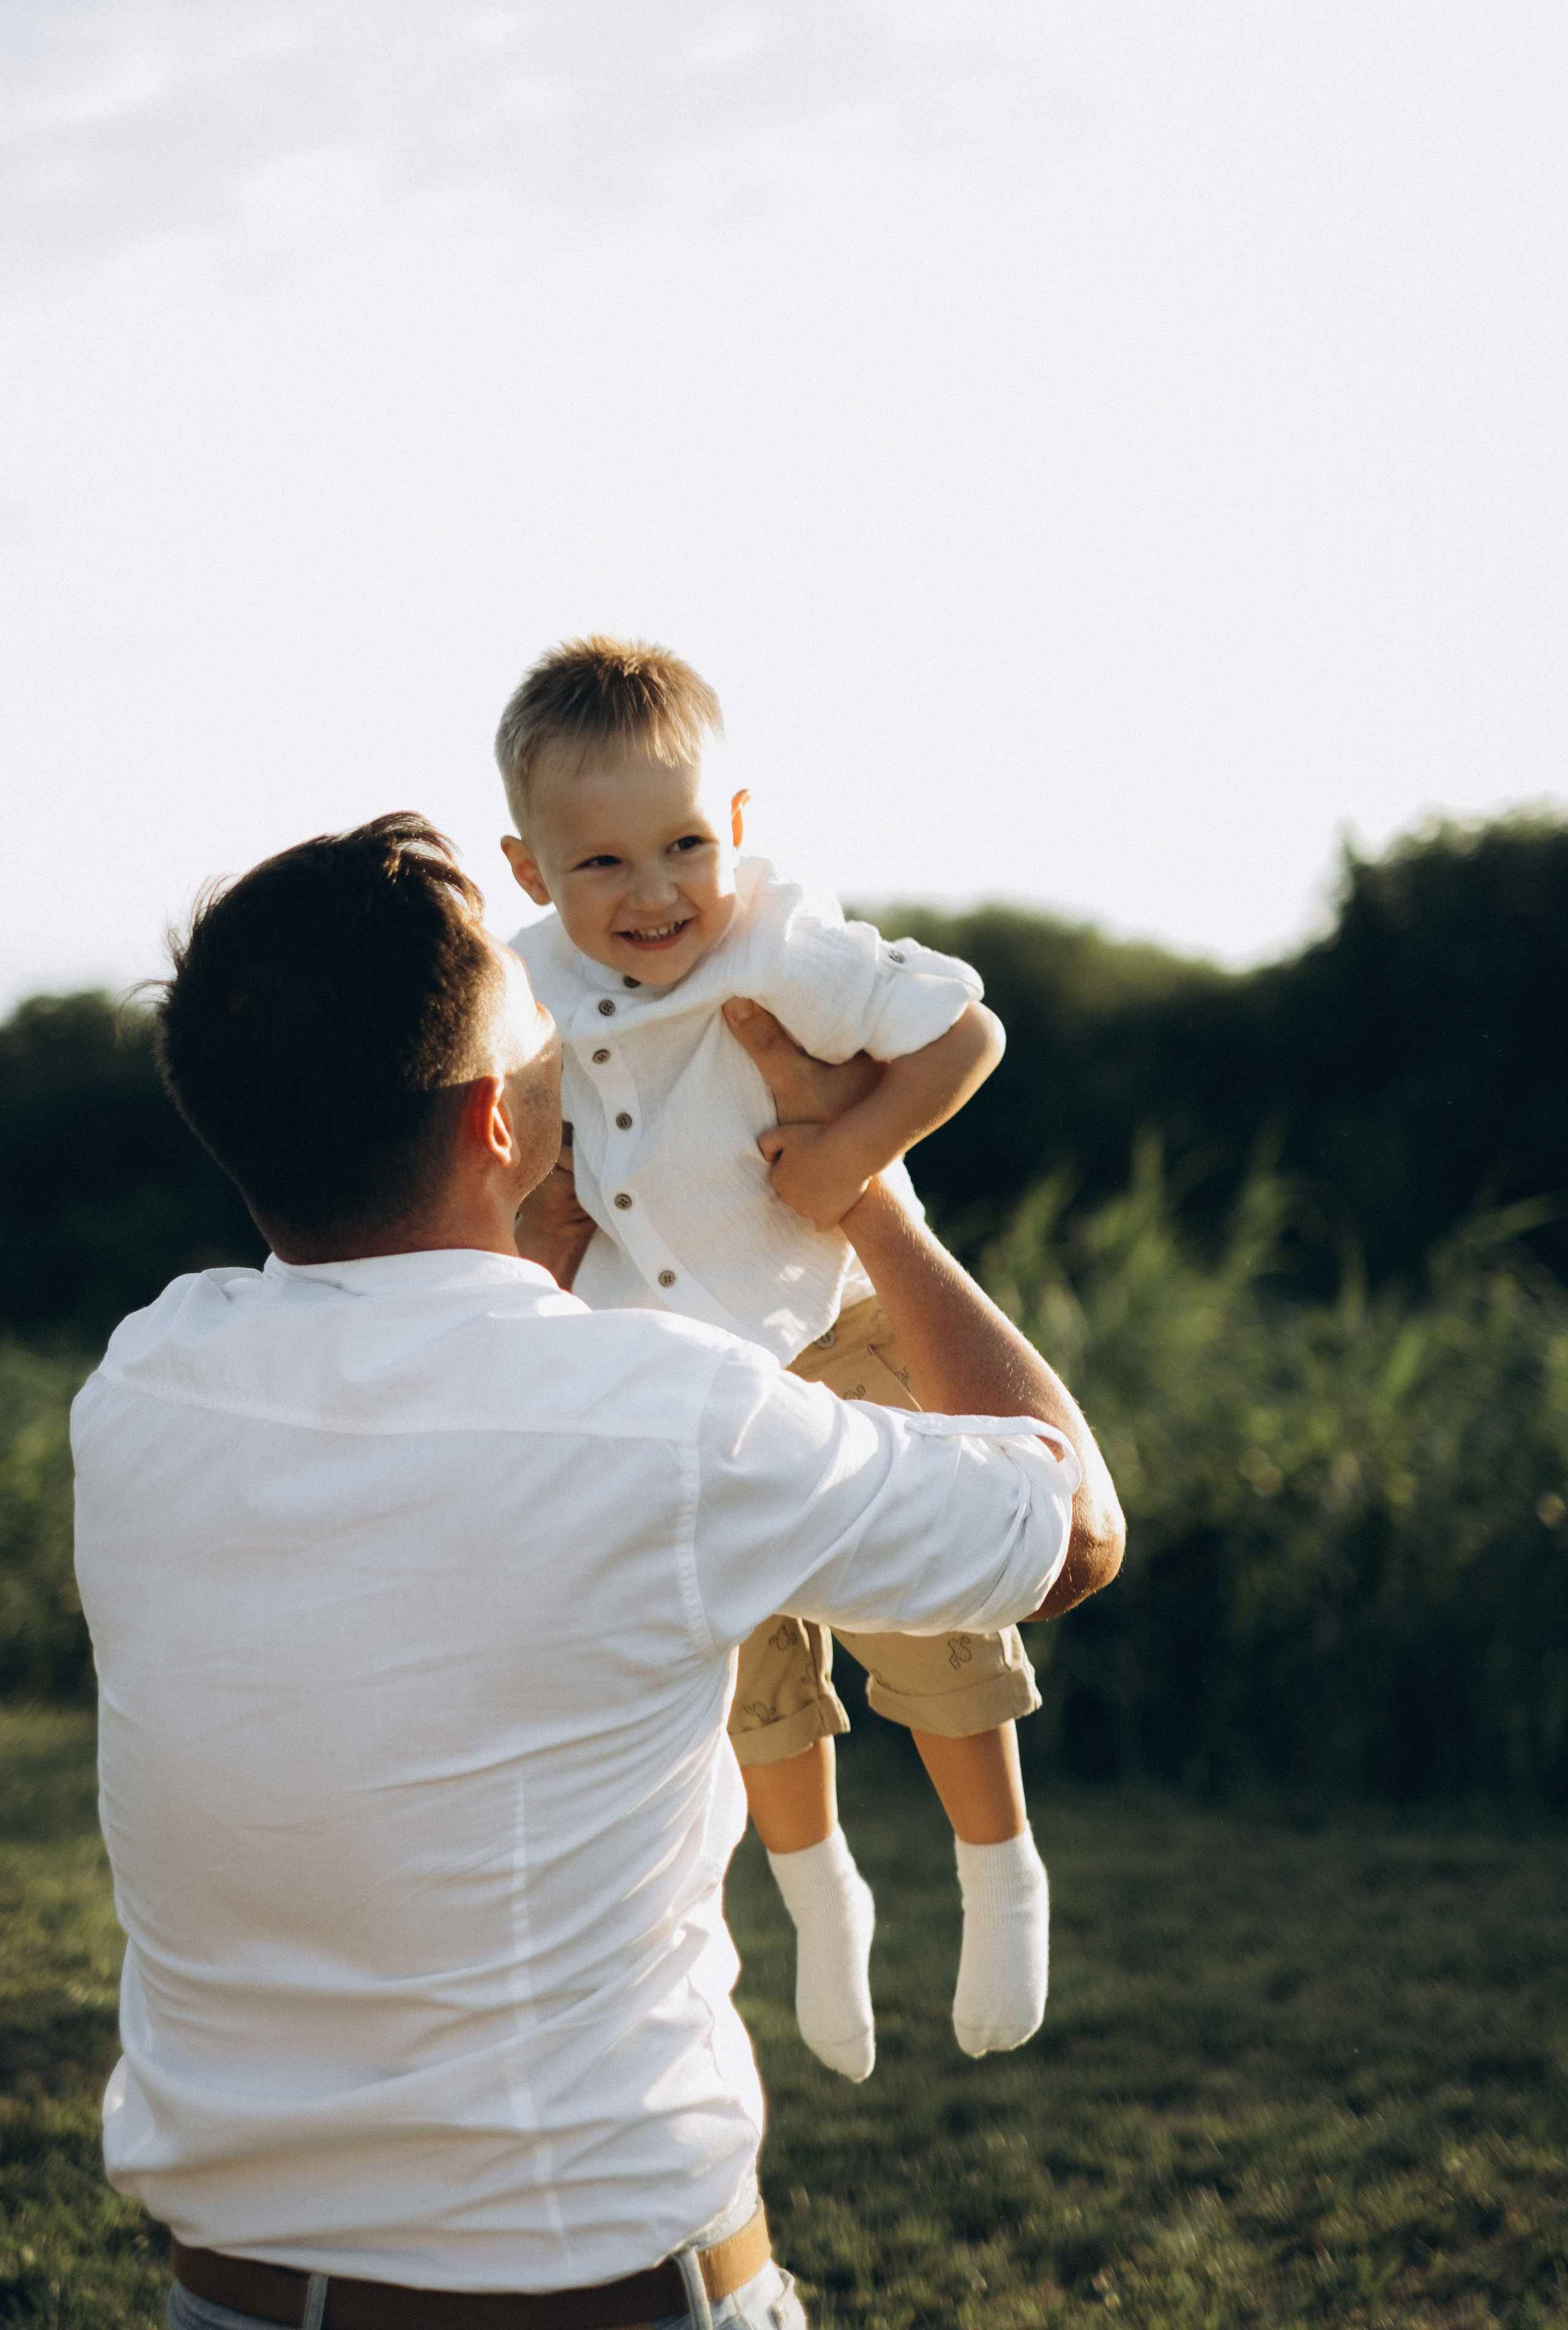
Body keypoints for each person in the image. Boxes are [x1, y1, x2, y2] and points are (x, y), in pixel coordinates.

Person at [74, 812, 1123, 2330]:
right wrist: (871, 1197)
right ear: (494, 1121)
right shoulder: (665, 1422)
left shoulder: (142, 1390)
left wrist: (545, 1236)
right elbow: (1070, 1525)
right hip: (602, 2289)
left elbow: (464, 1400)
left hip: (230, 2299)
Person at [496, 636, 1049, 2079]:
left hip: (834, 1310)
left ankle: (1000, 1876)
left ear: (737, 825)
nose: (654, 891)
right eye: (598, 864)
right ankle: (822, 1899)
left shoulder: (782, 937)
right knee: (746, 1662)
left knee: (932, 1621)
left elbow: (964, 1031)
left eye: (683, 843)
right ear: (525, 868)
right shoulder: (522, 991)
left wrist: (854, 1151)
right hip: (671, 1367)